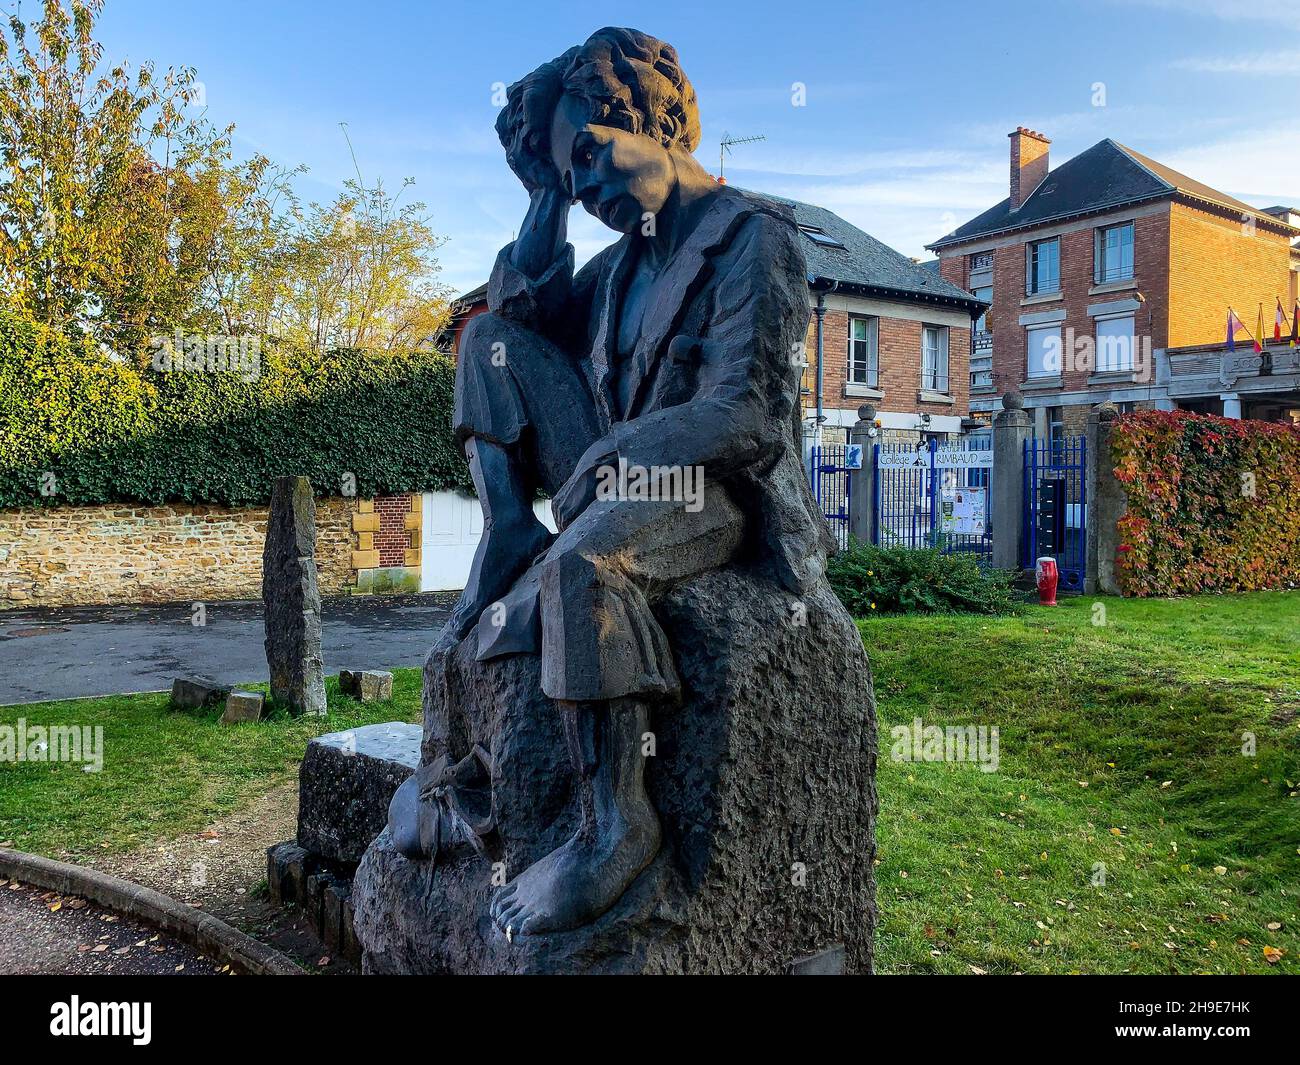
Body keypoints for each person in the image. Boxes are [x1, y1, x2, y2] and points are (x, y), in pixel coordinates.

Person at [387, 26, 830, 936]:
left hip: (710, 488)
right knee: (487, 339)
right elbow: (520, 313)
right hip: (617, 472)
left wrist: (614, 456)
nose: (588, 191)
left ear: (657, 120)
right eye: (571, 178)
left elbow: (744, 416)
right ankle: (509, 526)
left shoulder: (752, 240)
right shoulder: (618, 264)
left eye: (590, 156)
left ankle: (616, 825)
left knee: (583, 569)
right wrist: (544, 191)